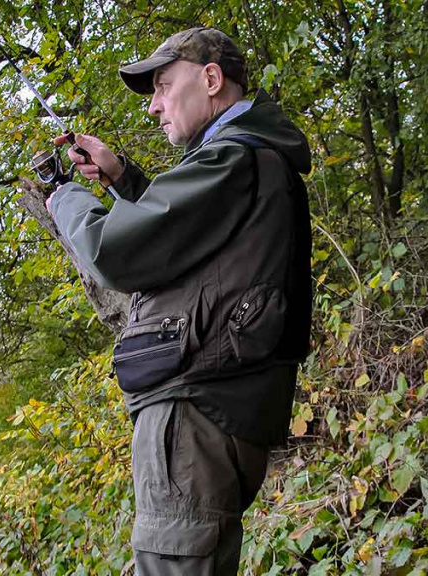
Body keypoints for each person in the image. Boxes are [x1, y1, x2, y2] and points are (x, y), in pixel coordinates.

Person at [46, 27, 312, 575]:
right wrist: (121, 179)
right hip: (210, 416)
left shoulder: (234, 158)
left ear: (211, 79)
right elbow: (194, 243)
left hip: (195, 419)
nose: (154, 107)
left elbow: (111, 251)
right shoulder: (242, 159)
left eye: (163, 86)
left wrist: (65, 198)